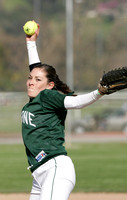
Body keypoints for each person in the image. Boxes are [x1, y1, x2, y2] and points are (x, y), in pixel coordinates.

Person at [22, 22, 105, 200]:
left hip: (55, 169)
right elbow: (36, 69)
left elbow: (77, 103)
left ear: (50, 85)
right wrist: (31, 43)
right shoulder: (36, 98)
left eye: (37, 80)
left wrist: (100, 92)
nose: (31, 82)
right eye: (30, 78)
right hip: (39, 174)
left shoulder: (47, 96)